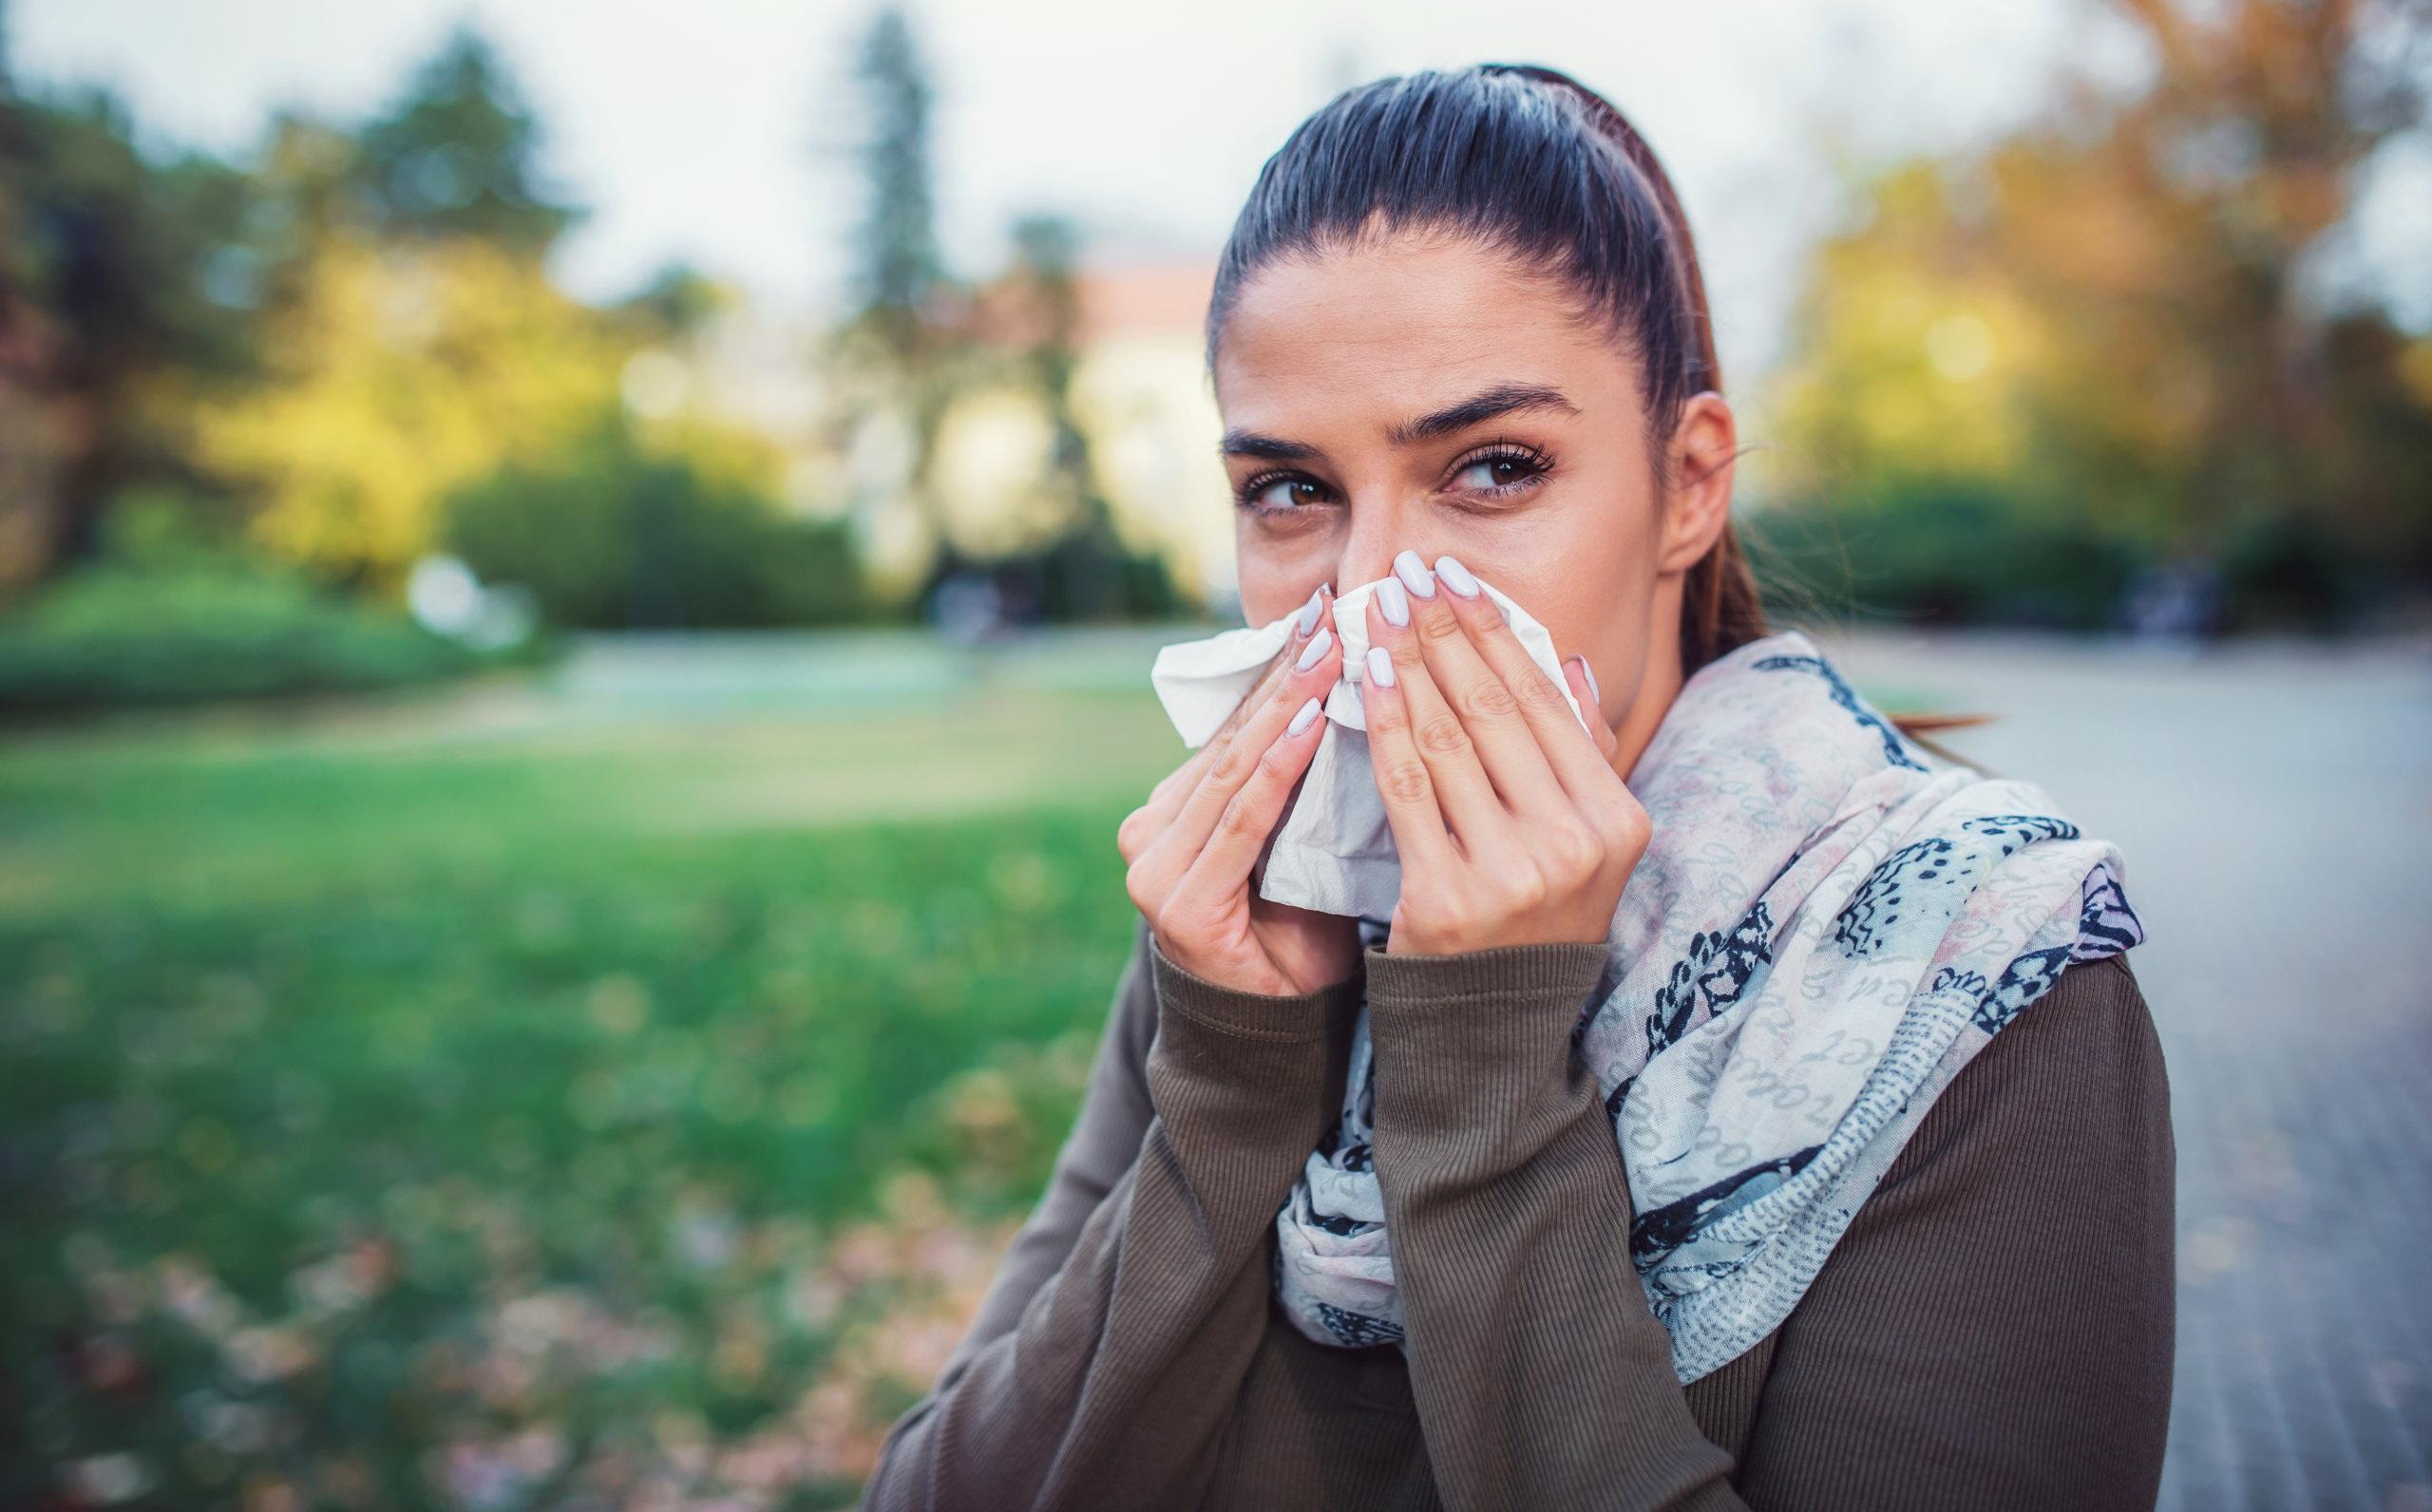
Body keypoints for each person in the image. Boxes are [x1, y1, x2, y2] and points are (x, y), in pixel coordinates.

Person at [861, 63, 2174, 1511]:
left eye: (1492, 468)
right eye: (1291, 491)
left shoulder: (1974, 977)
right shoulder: (1249, 928)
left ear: (1687, 486)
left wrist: (1483, 1069)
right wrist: (1233, 1094)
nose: (1366, 595)